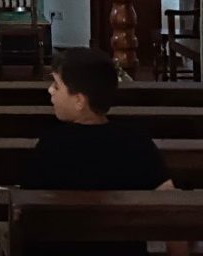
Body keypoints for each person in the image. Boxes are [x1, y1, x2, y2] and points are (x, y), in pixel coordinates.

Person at [22, 47, 183, 256]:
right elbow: (170, 204)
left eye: (56, 85)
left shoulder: (51, 144)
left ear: (79, 100)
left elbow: (26, 210)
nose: (50, 90)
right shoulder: (135, 140)